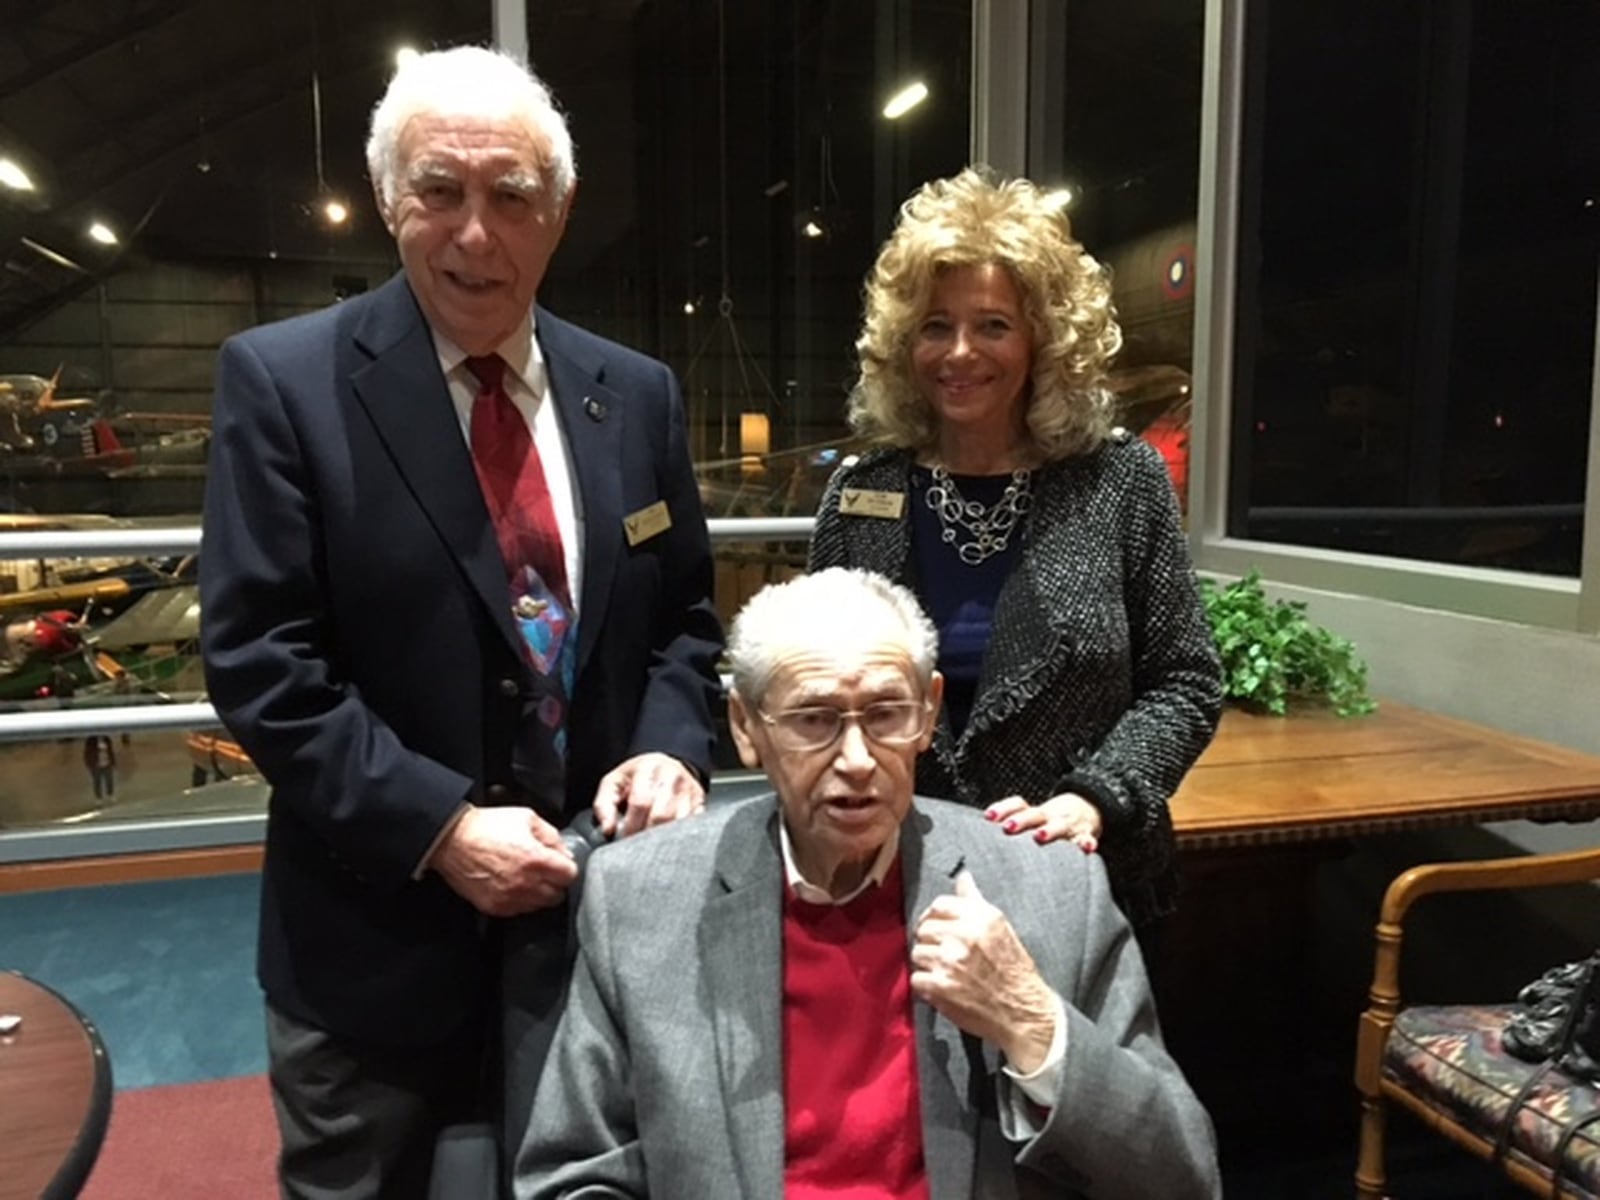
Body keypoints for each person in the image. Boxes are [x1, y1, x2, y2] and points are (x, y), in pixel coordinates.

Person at [198, 45, 723, 1198]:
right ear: (390, 200)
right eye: (440, 190)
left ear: (562, 209)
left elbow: (685, 621)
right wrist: (440, 829)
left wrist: (667, 749)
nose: (475, 234)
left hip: (593, 924)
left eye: (511, 196)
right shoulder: (285, 383)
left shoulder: (634, 393)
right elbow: (260, 664)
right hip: (373, 942)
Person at [515, 567, 1220, 1200]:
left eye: (886, 715)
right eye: (814, 720)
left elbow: (1183, 1177)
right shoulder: (641, 898)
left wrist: (1032, 1021)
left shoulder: (1050, 887)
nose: (857, 760)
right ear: (746, 727)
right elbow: (572, 1175)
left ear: (928, 711)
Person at [808, 168, 1222, 927]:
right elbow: (821, 689)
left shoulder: (1121, 482)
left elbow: (1186, 681)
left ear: (1044, 340)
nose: (960, 352)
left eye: (993, 324)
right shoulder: (861, 494)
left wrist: (1095, 798)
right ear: (905, 341)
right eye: (936, 324)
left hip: (1085, 880)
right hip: (898, 881)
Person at [82, 733, 116, 799]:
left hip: (107, 764)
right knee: (97, 782)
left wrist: (113, 762)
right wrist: (89, 764)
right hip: (96, 765)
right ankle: (99, 798)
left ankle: (110, 794)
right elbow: (87, 753)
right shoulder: (90, 740)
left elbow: (111, 751)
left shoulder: (107, 739)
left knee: (109, 780)